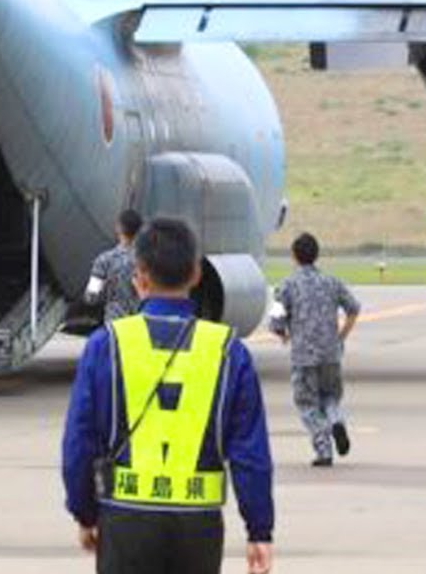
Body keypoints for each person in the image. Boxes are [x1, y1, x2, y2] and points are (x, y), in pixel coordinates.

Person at [62, 218, 274, 574]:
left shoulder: (107, 345)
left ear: (140, 276)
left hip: (126, 519)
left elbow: (79, 444)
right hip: (197, 526)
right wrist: (259, 530)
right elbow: (250, 454)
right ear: (196, 274)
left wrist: (85, 513)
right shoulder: (227, 351)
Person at [269, 232, 360, 467]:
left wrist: (285, 335)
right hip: (331, 353)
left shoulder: (286, 287)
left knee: (307, 403)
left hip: (304, 357)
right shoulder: (332, 282)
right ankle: (336, 420)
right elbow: (353, 308)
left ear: (294, 256)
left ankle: (323, 449)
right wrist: (341, 336)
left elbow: (275, 322)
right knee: (330, 396)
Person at [84, 209, 144, 321]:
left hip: (114, 326)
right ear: (140, 230)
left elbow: (91, 297)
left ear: (118, 228)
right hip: (140, 325)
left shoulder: (104, 261)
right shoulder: (149, 261)